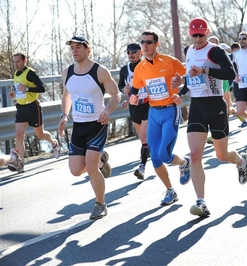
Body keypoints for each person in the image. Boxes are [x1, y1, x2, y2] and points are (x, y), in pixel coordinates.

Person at [172, 17, 247, 217]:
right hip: (197, 106)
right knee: (195, 154)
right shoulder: (189, 51)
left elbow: (230, 74)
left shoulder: (215, 51)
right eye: (194, 35)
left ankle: (241, 161)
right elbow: (191, 78)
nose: (197, 38)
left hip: (216, 105)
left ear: (207, 33)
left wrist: (206, 70)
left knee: (221, 156)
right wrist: (180, 92)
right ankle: (201, 202)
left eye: (201, 34)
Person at [58, 35, 121, 220]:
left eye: (78, 47)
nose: (74, 50)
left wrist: (108, 110)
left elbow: (115, 94)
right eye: (72, 48)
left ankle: (100, 204)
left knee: (90, 167)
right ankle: (101, 160)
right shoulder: (66, 72)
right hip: (78, 126)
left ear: (88, 49)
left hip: (97, 125)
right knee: (76, 170)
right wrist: (64, 115)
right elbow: (67, 95)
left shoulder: (99, 71)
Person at [129, 30, 191, 206]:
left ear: (157, 44)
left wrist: (182, 91)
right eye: (143, 43)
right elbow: (135, 88)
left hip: (171, 110)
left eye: (149, 42)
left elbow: (190, 75)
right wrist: (132, 97)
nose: (145, 46)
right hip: (153, 112)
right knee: (155, 157)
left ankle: (183, 162)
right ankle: (170, 191)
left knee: (164, 154)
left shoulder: (169, 61)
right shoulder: (140, 68)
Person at [8, 52, 61, 172]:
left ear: (24, 61)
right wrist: (14, 94)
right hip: (21, 108)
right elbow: (19, 89)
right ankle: (19, 162)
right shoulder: (15, 73)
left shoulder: (30, 73)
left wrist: (26, 88)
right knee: (19, 135)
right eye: (14, 61)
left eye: (18, 61)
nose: (16, 64)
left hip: (33, 107)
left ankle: (54, 143)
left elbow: (41, 88)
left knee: (40, 134)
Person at [118, 43, 150, 179]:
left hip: (147, 104)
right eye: (128, 52)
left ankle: (142, 167)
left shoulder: (147, 66)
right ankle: (149, 151)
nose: (131, 54)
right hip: (134, 106)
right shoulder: (124, 69)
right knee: (143, 139)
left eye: (133, 52)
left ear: (140, 53)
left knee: (144, 136)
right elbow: (120, 85)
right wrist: (123, 91)